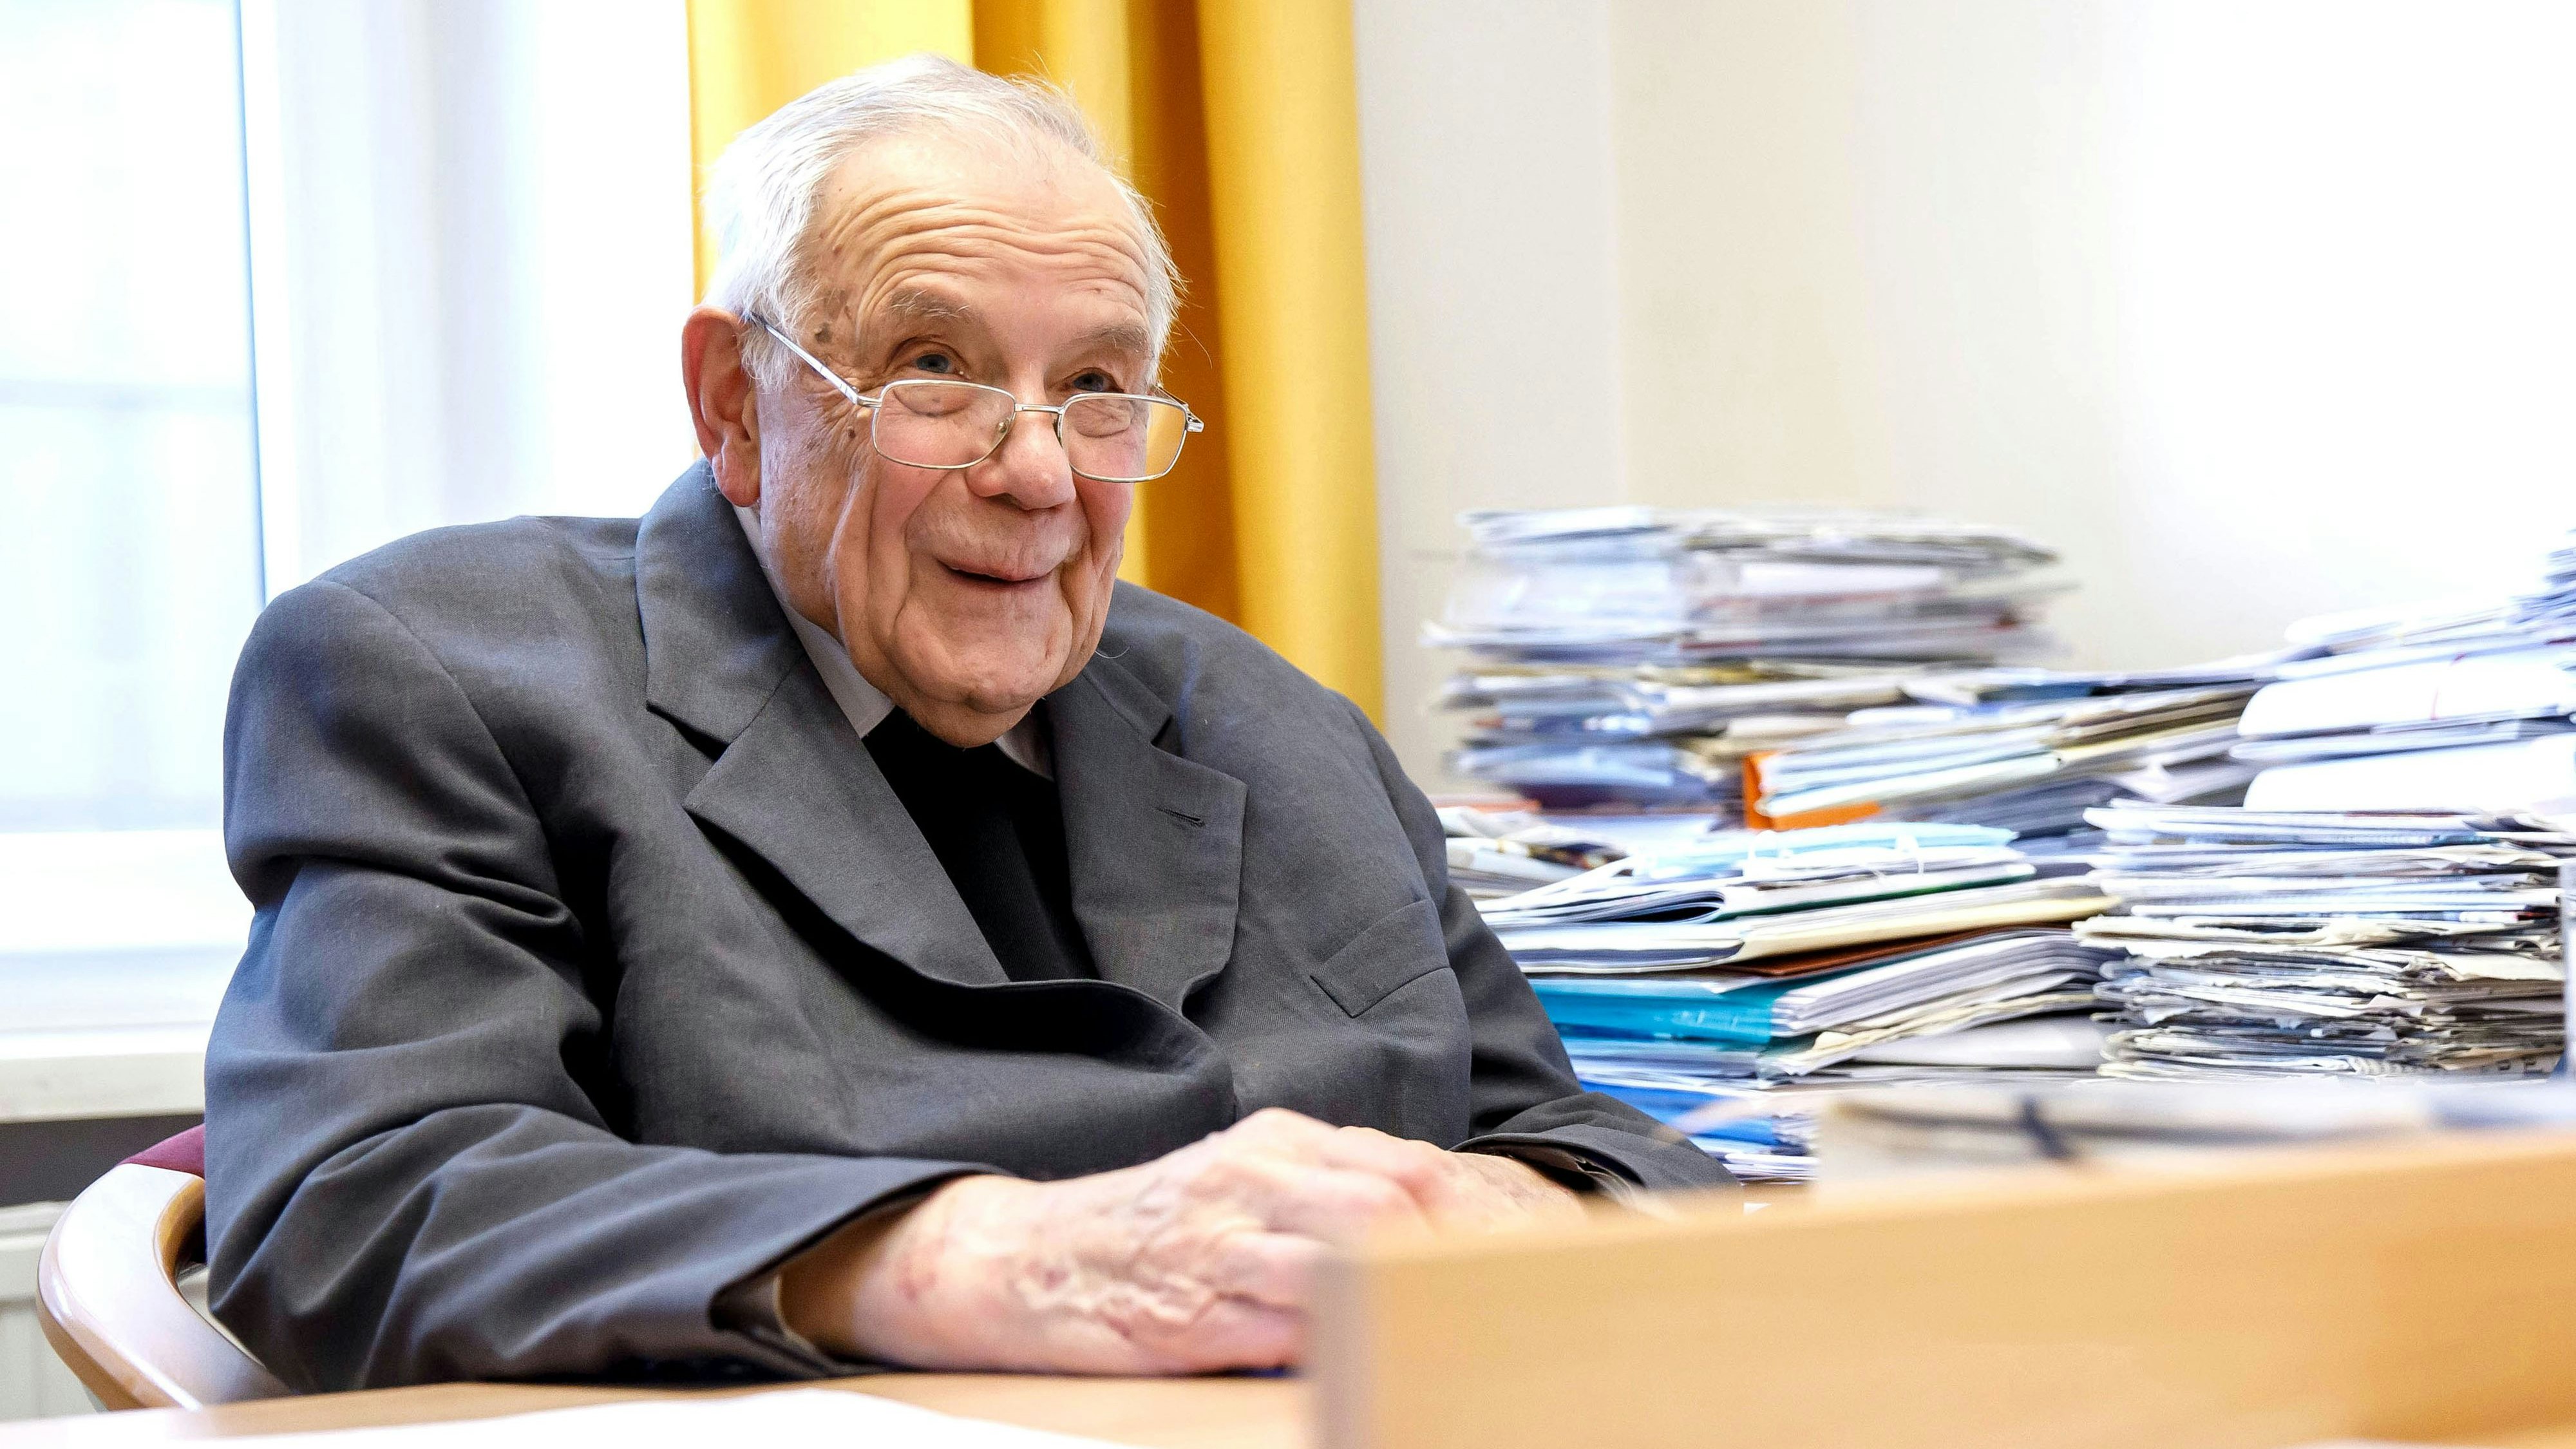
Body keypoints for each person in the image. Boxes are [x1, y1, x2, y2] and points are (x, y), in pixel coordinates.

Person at [203, 53, 1728, 1392]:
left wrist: (1516, 1217)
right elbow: (366, 1200)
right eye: (934, 373)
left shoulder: (1272, 718)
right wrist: (999, 1259)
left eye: (1095, 388)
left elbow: (1586, 1138)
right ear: (735, 404)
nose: (1039, 473)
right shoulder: (438, 669)